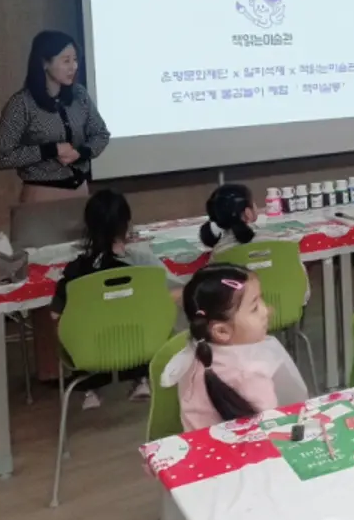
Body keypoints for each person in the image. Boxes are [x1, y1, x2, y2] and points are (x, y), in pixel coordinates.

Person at [50, 189, 183, 409]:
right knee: (145, 318)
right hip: (143, 346)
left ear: (88, 227)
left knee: (80, 327)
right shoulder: (144, 268)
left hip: (89, 354)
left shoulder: (74, 272)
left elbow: (56, 316)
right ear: (127, 225)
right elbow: (171, 297)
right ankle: (141, 377)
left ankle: (90, 388)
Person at [160, 263, 308, 430]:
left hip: (203, 444)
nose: (266, 310)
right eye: (254, 308)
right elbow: (271, 428)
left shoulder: (194, 354)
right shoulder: (247, 373)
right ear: (222, 331)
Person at [0, 30, 110, 203]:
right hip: (43, 194)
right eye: (66, 60)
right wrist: (50, 150)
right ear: (45, 63)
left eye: (75, 60)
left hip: (81, 192)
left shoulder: (79, 95)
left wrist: (81, 152)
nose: (73, 67)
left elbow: (101, 134)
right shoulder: (22, 103)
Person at [200, 183, 310, 300]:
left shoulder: (219, 254)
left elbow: (215, 298)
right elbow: (305, 293)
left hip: (240, 312)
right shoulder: (282, 243)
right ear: (248, 213)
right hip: (288, 309)